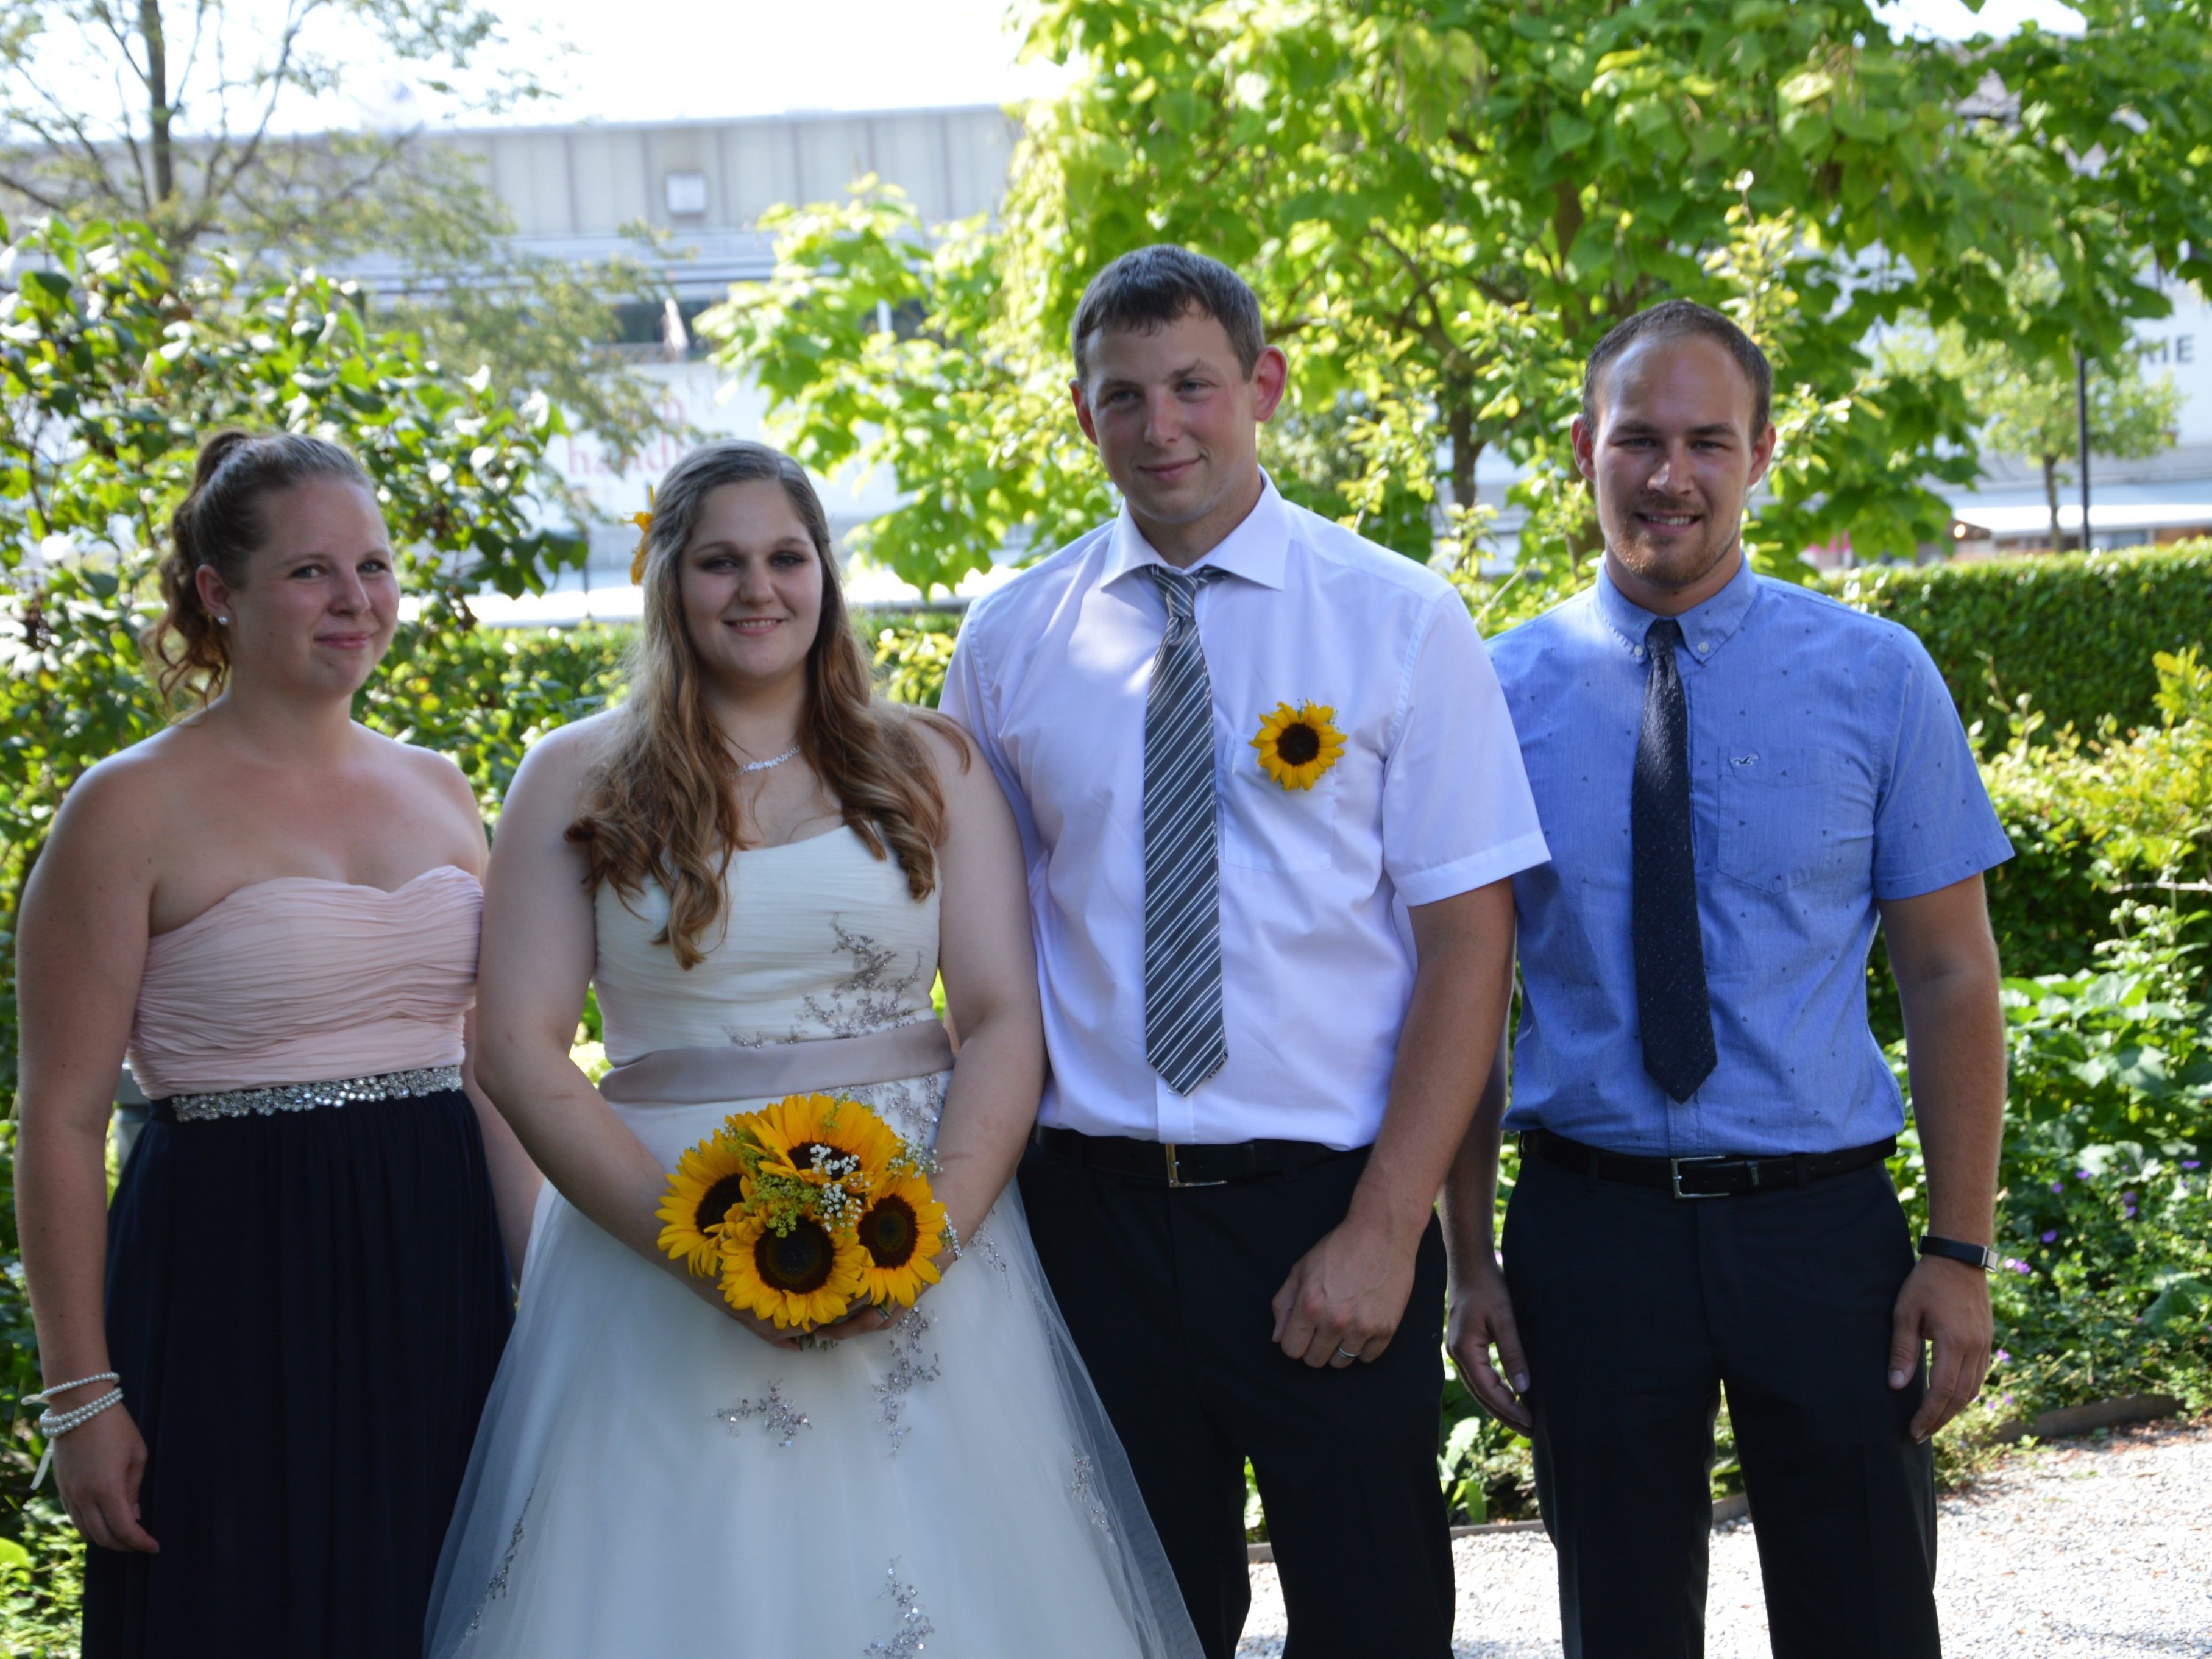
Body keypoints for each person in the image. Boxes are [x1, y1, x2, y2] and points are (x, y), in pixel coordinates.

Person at [424, 439, 1200, 1658]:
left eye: (787, 557)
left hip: (923, 1237)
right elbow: (518, 1049)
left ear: (826, 575)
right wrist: (697, 1256)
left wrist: (925, 1240)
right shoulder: (575, 774)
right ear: (668, 581)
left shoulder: (929, 762)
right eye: (719, 562)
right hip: (656, 1247)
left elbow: (1002, 1018)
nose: (758, 589)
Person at [940, 246, 1545, 1659]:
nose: (1161, 428)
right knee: (1131, 1629)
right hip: (1089, 1220)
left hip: (1324, 1208)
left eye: (1194, 386)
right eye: (1123, 396)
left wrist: (1388, 1228)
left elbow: (1471, 946)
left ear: (1264, 384)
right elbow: (982, 952)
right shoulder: (1013, 640)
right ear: (1081, 413)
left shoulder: (1399, 618)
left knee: (1375, 1621)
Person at [1443, 299, 2011, 1658]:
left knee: (1868, 1621)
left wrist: (1958, 1253)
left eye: (1707, 441)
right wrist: (1469, 1260)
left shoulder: (1877, 678)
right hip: (1592, 1237)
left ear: (1761, 453)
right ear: (1582, 448)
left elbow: (1949, 974)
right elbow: (1459, 1001)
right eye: (1637, 439)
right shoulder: (1490, 695)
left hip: (1824, 1238)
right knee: (1622, 1628)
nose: (1670, 476)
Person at [13, 431, 536, 1658]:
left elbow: (490, 1072)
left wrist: (549, 1304)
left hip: (437, 1264)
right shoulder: (125, 807)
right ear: (218, 592)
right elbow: (60, 1119)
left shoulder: (440, 787)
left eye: (374, 567)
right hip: (228, 1278)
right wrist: (80, 1393)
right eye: (311, 572)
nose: (356, 601)